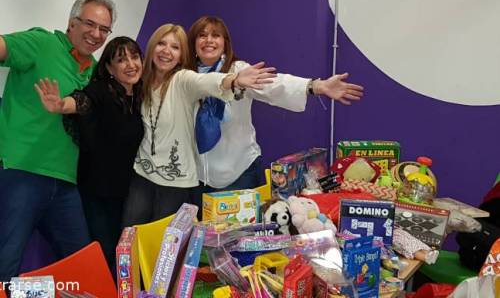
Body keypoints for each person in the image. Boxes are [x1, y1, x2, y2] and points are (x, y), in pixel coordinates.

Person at [186, 16, 364, 203]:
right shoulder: (185, 77)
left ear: (225, 43)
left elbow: (275, 85)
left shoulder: (239, 70)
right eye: (202, 35)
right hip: (199, 176)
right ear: (193, 43)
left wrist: (316, 86)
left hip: (240, 171)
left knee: (242, 230)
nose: (209, 40)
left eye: (216, 35)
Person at [0, 0, 115, 281]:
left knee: (84, 268)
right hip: (21, 171)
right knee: (5, 263)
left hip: (65, 183)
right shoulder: (42, 43)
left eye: (104, 29)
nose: (96, 34)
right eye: (90, 23)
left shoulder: (95, 73)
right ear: (72, 23)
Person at [122, 23, 276, 226]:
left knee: (163, 245)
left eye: (175, 47)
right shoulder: (141, 81)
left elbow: (207, 82)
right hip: (142, 173)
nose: (167, 51)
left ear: (182, 55)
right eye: (161, 43)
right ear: (152, 46)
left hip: (177, 181)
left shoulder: (182, 79)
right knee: (129, 236)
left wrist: (234, 80)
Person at [35, 36, 144, 271]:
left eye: (134, 57)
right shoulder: (102, 91)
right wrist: (60, 105)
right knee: (104, 254)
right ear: (109, 68)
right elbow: (83, 101)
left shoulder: (139, 96)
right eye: (121, 60)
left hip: (125, 192)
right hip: (97, 192)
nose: (130, 64)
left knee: (122, 254)